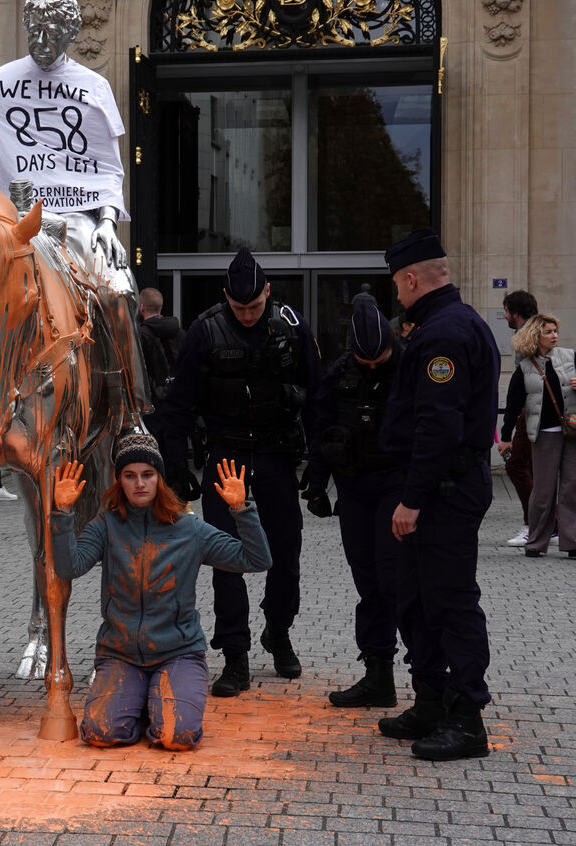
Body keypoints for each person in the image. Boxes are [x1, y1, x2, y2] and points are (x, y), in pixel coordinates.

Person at [0, 0, 149, 447]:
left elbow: (107, 167)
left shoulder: (93, 87)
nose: (42, 40)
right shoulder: (2, 81)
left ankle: (129, 412)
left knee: (120, 294)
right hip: (5, 219)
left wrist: (107, 222)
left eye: (52, 31)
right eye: (34, 30)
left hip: (73, 218)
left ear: (71, 34)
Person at [156, 247, 320, 697]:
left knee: (285, 553)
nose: (247, 315)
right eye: (239, 307)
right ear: (225, 296)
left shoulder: (291, 326)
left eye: (255, 306)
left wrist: (321, 465)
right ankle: (235, 655)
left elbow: (317, 394)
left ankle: (278, 631)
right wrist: (176, 466)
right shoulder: (205, 330)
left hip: (276, 455)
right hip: (227, 455)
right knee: (226, 558)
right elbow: (178, 404)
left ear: (268, 291)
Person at [49, 437, 270, 749]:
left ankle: (154, 701)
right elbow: (69, 566)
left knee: (176, 736)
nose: (139, 483)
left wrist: (240, 509)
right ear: (119, 481)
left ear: (159, 478)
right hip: (121, 654)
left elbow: (256, 560)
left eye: (148, 474)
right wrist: (62, 512)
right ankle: (140, 703)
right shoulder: (106, 525)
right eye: (130, 476)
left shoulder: (189, 529)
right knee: (100, 733)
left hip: (178, 653)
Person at [377, 228, 499, 761]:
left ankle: (467, 718)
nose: (396, 294)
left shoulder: (444, 333)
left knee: (449, 601)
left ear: (411, 279)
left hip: (444, 490)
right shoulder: (447, 323)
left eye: (396, 284)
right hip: (437, 486)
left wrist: (412, 499)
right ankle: (430, 700)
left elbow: (438, 426)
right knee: (416, 598)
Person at [301, 298, 404, 708]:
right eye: (366, 361)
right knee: (368, 580)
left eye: (380, 359)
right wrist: (316, 484)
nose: (373, 366)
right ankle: (378, 674)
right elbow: (323, 430)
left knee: (394, 579)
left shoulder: (409, 367)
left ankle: (428, 681)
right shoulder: (340, 372)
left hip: (395, 486)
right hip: (354, 487)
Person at [498, 314, 576, 559]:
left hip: (573, 431)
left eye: (555, 331)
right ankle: (536, 541)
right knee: (543, 490)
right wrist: (506, 436)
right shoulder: (525, 367)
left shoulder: (570, 356)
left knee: (573, 487)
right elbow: (513, 404)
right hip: (543, 434)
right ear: (536, 336)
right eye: (548, 332)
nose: (554, 336)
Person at [501, 290, 539, 546]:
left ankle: (534, 524)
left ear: (515, 312)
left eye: (506, 310)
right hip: (535, 411)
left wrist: (507, 432)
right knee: (535, 469)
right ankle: (547, 524)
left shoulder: (527, 336)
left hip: (530, 411)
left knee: (515, 465)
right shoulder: (538, 330)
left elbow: (521, 384)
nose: (504, 315)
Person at [137, 286, 186, 402]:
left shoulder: (141, 336)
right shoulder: (180, 332)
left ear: (142, 308)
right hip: (180, 396)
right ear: (161, 307)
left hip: (153, 401)